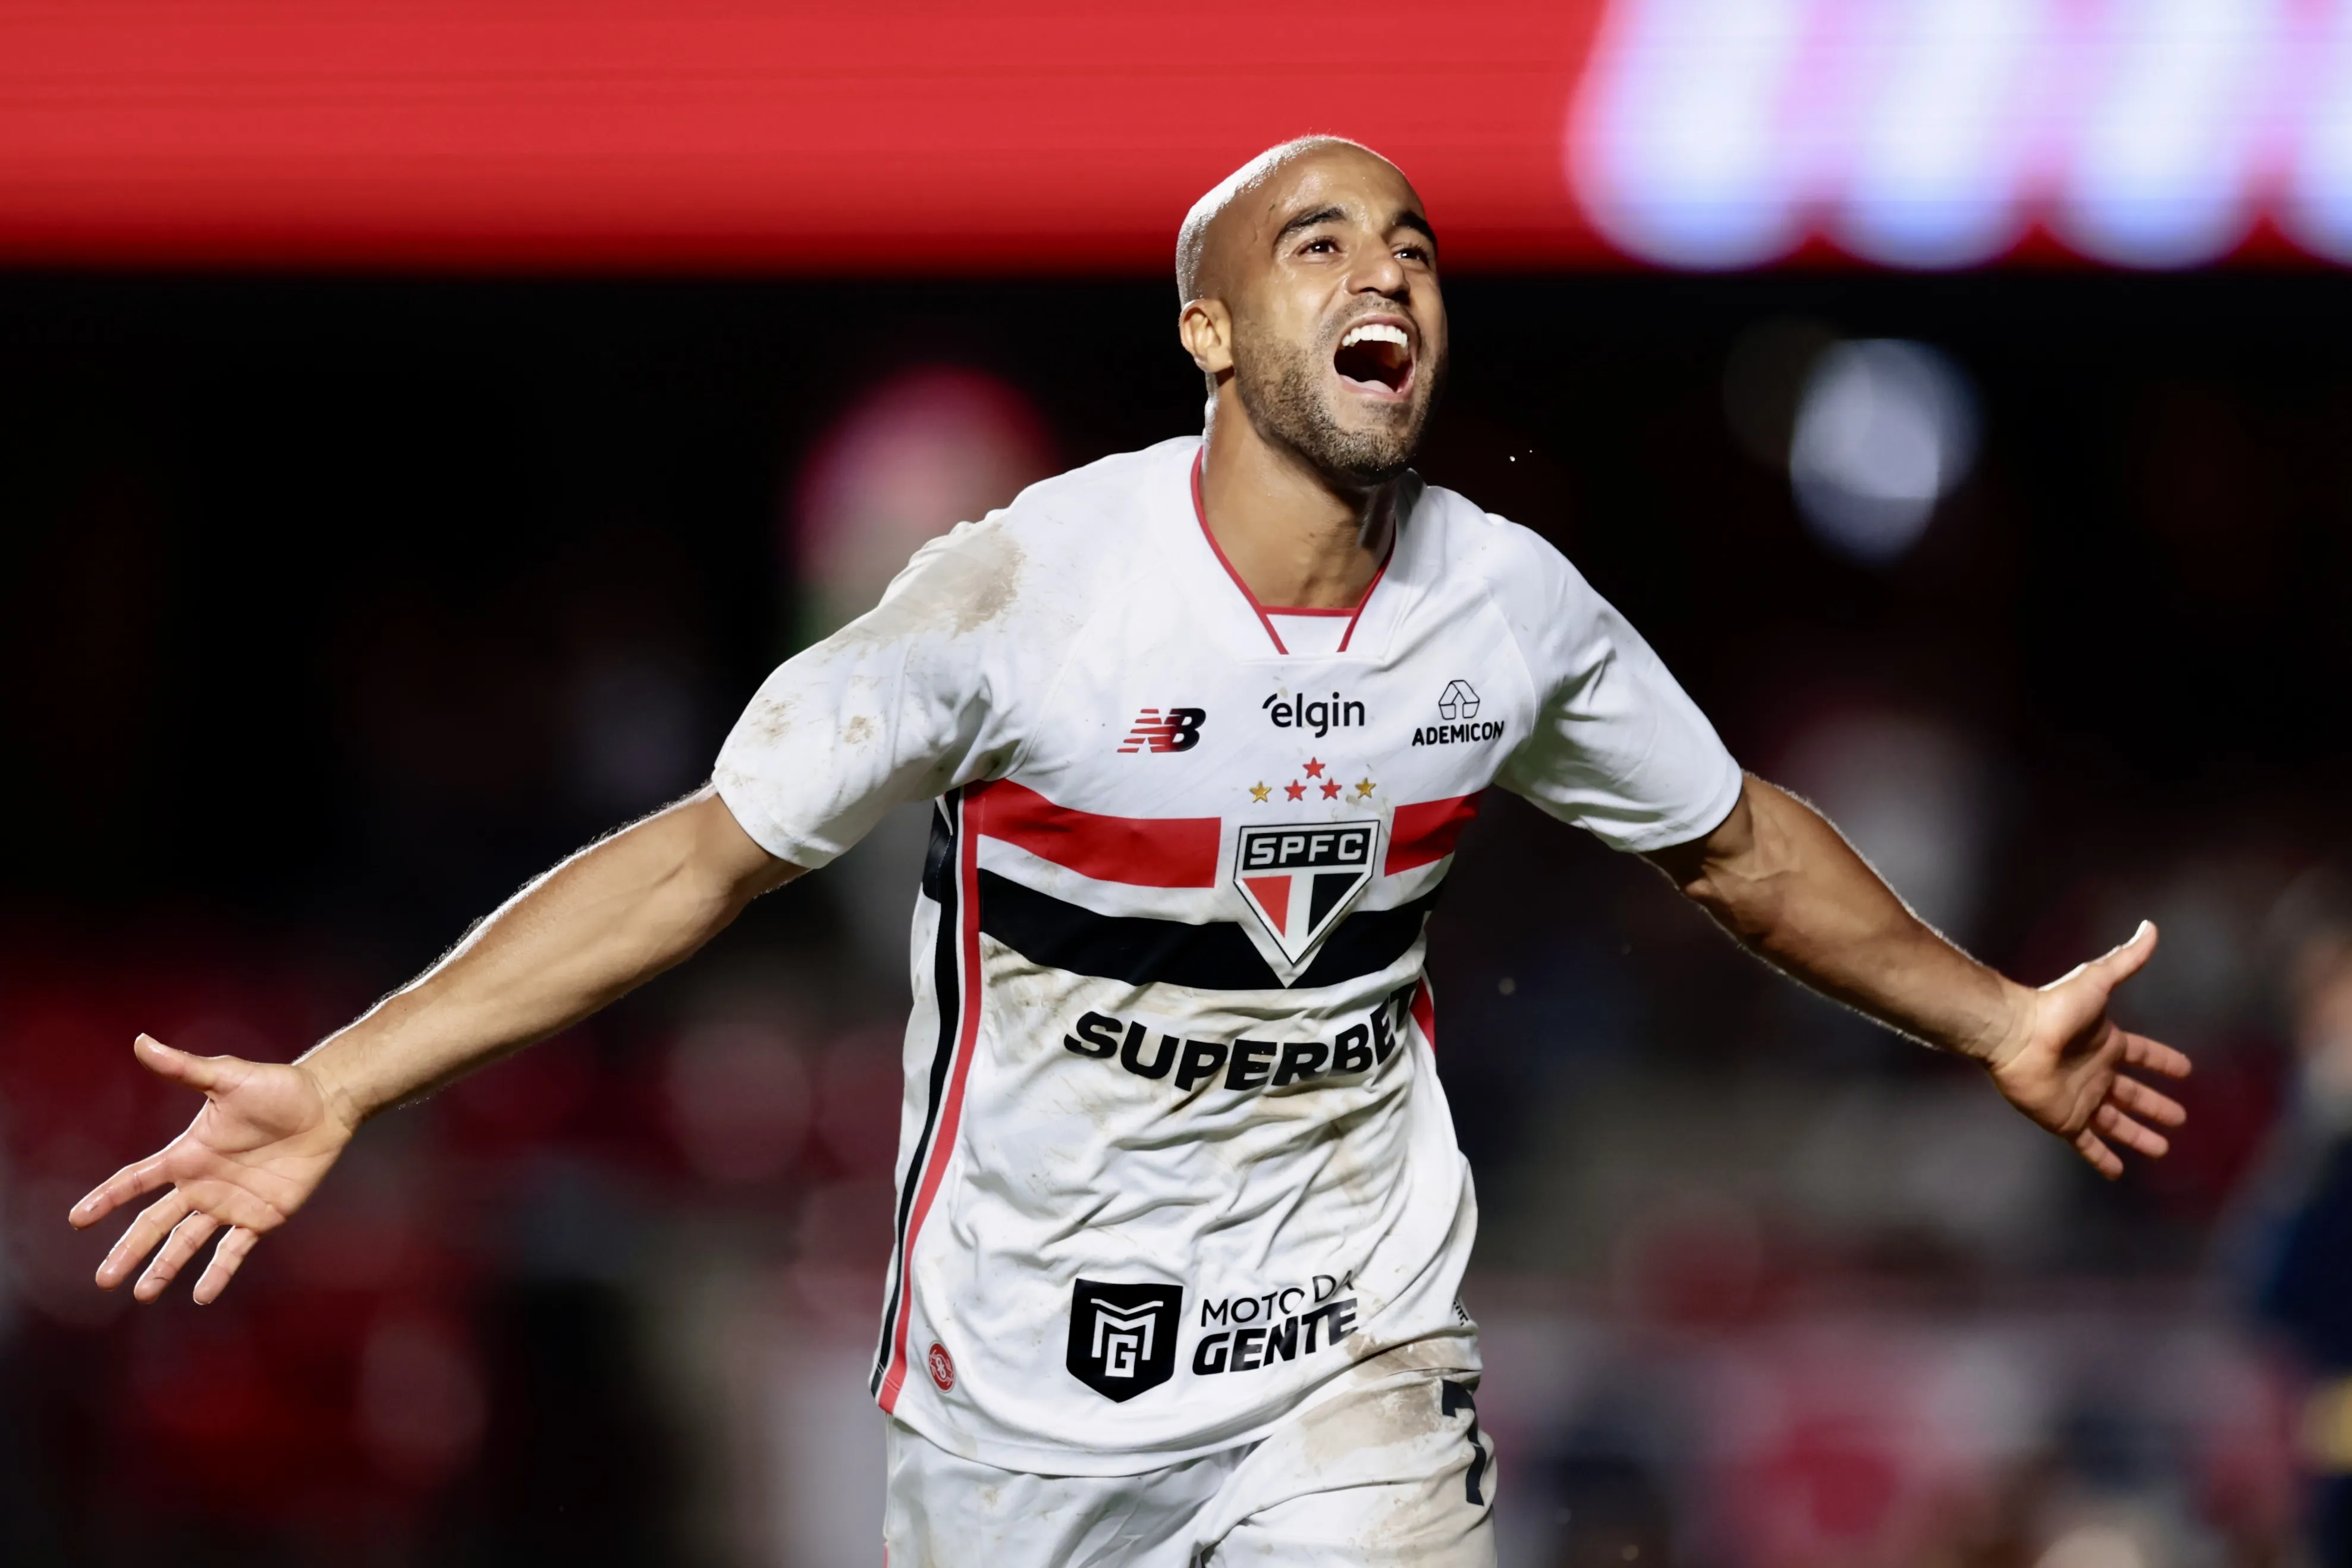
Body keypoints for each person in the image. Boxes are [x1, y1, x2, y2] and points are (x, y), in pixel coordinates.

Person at [68, 138, 2191, 1567]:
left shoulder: (1508, 608)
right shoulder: (1014, 602)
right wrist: (345, 1075)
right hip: (1015, 1394)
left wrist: (1995, 1014)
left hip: (1348, 1342)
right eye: (1321, 248)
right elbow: (700, 862)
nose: (1389, 278)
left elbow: (1735, 848)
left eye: (1417, 250)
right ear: (1209, 336)